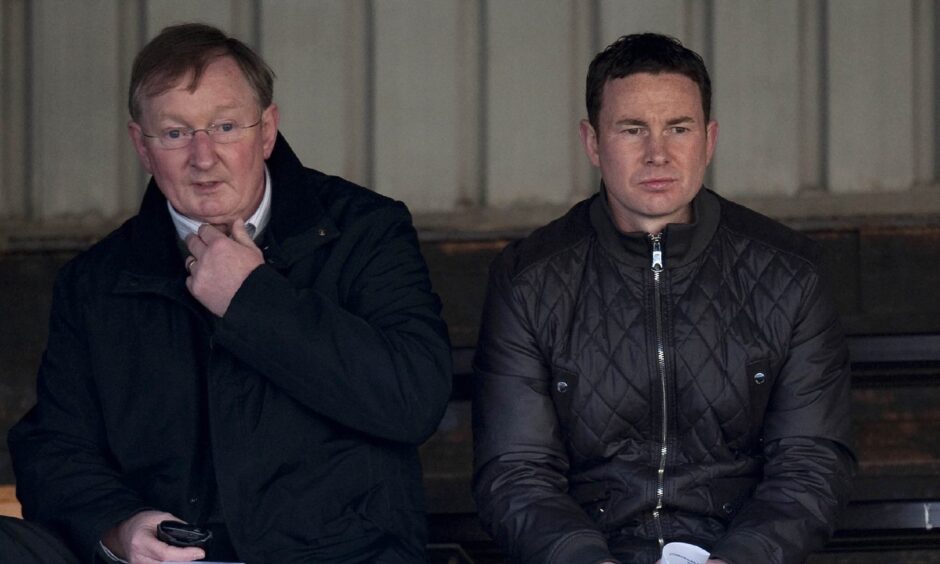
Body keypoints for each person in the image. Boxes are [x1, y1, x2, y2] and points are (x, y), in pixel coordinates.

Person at [6, 22, 451, 564]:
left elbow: (412, 398)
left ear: (266, 131)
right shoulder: (96, 281)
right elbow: (54, 448)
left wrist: (251, 297)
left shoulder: (365, 230)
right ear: (141, 147)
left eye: (224, 127)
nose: (202, 155)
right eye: (174, 133)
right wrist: (120, 527)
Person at [472, 33, 855, 564]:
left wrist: (742, 556)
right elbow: (517, 470)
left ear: (709, 139)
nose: (658, 153)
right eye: (633, 130)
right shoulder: (530, 279)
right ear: (592, 142)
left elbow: (810, 463)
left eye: (679, 128)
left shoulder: (789, 273)